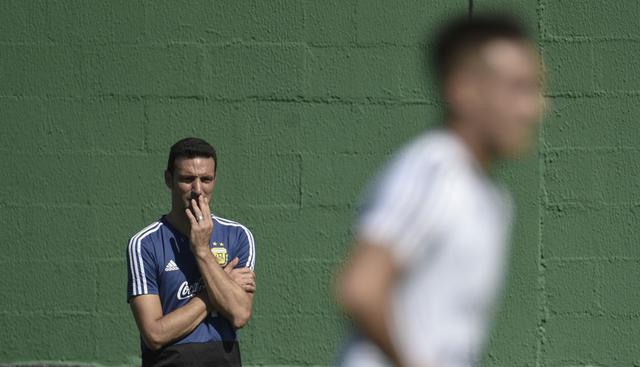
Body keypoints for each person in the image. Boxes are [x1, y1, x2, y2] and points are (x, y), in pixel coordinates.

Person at [335, 13, 544, 367]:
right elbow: (361, 288)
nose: (535, 107)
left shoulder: (490, 198)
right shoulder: (435, 169)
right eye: (518, 88)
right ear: (463, 90)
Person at [127, 137, 256, 367]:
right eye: (187, 179)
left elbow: (239, 314)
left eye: (206, 179)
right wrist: (218, 289)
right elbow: (154, 335)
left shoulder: (238, 236)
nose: (198, 190)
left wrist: (202, 251)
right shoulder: (144, 244)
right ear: (169, 179)